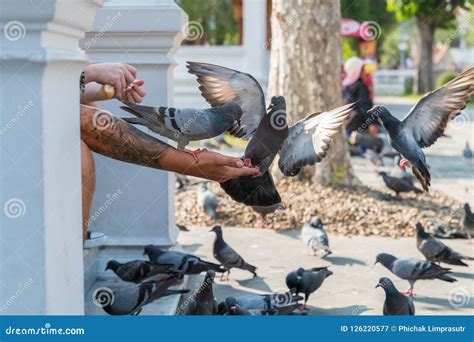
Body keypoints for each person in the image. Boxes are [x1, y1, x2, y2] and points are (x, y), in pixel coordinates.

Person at [80, 63, 259, 247]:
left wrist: (100, 89)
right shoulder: (207, 121)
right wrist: (187, 163)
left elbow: (81, 104)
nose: (237, 123)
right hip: (163, 123)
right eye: (236, 117)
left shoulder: (213, 121)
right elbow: (93, 122)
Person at [342, 57, 383, 157]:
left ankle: (354, 146)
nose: (365, 71)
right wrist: (373, 123)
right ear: (357, 70)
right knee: (383, 138)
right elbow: (365, 107)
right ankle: (359, 147)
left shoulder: (345, 86)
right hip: (359, 123)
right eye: (363, 69)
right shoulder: (361, 86)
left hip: (349, 124)